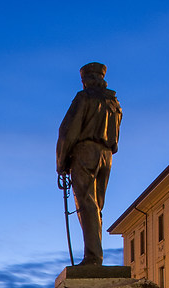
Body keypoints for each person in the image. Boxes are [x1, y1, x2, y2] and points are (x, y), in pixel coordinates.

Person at [56, 62, 122, 267]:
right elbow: (116, 135)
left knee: (86, 204)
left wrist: (61, 162)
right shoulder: (115, 104)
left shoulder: (83, 98)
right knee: (96, 206)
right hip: (106, 155)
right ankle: (95, 255)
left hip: (85, 153)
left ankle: (93, 257)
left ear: (86, 81)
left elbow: (68, 131)